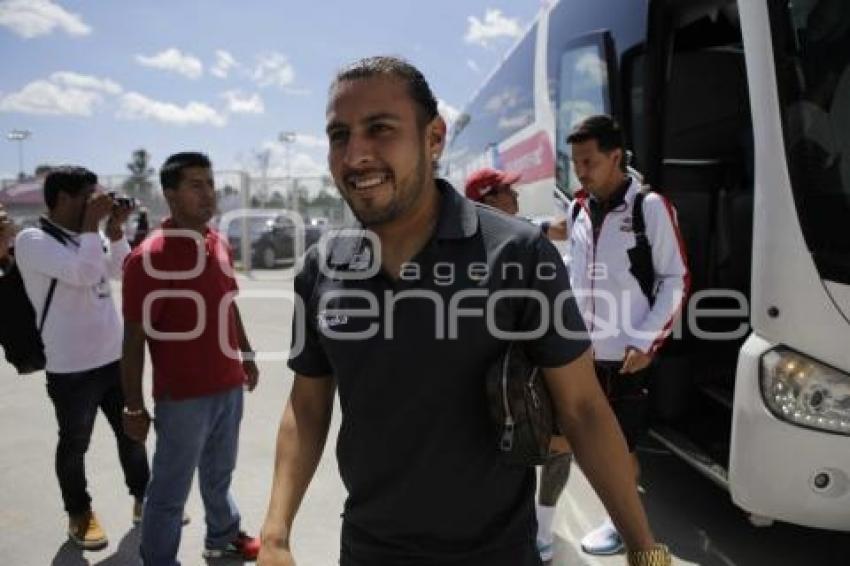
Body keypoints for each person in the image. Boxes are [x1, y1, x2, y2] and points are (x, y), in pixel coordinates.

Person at [258, 56, 671, 566]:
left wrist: (643, 549)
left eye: (380, 129)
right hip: (368, 550)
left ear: (434, 138)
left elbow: (583, 408)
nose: (355, 154)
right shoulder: (319, 269)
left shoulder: (518, 253)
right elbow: (307, 407)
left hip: (496, 552)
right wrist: (275, 534)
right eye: (339, 135)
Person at [120, 152, 261, 565]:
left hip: (228, 385)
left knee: (219, 476)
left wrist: (246, 354)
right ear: (171, 196)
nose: (208, 193)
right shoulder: (149, 257)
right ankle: (159, 559)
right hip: (183, 398)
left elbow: (229, 303)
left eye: (210, 183)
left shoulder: (217, 242)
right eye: (196, 185)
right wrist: (133, 405)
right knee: (168, 491)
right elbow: (133, 338)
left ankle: (222, 535)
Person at [563, 115, 689, 555]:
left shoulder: (649, 207)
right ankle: (613, 516)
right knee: (580, 440)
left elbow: (676, 278)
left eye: (589, 160)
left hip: (626, 356)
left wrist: (646, 340)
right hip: (580, 354)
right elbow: (575, 275)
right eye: (575, 161)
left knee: (620, 444)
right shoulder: (577, 208)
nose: (580, 169)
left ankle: (622, 525)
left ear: (616, 156)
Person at [13, 166, 150, 550]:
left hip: (113, 359)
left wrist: (116, 231)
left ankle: (144, 498)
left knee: (132, 434)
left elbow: (120, 268)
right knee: (75, 445)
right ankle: (79, 513)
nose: (96, 204)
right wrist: (93, 225)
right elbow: (86, 273)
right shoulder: (33, 240)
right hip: (72, 368)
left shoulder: (86, 236)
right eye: (88, 197)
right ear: (62, 199)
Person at [465, 166, 572, 561]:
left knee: (559, 444)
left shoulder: (525, 231)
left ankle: (541, 530)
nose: (517, 196)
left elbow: (560, 228)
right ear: (488, 199)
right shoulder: (458, 244)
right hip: (491, 371)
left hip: (531, 364)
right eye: (508, 191)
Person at [464, 167, 567, 240]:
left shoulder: (517, 227)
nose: (515, 194)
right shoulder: (514, 233)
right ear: (491, 201)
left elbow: (561, 231)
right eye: (507, 189)